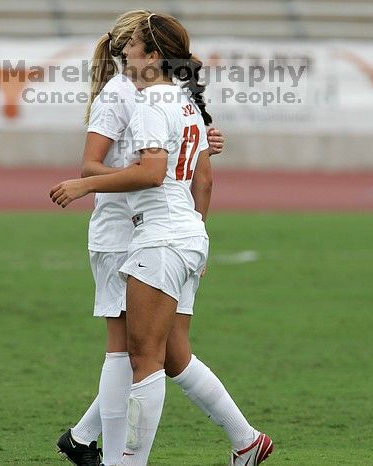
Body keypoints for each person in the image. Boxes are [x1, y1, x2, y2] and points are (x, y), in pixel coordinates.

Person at [53, 12, 273, 466]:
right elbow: (200, 176)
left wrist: (85, 185)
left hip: (154, 233)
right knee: (166, 355)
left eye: (133, 43)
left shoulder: (150, 100)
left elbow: (152, 173)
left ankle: (118, 458)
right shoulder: (186, 101)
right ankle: (244, 440)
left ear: (153, 55)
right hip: (181, 233)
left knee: (141, 357)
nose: (125, 50)